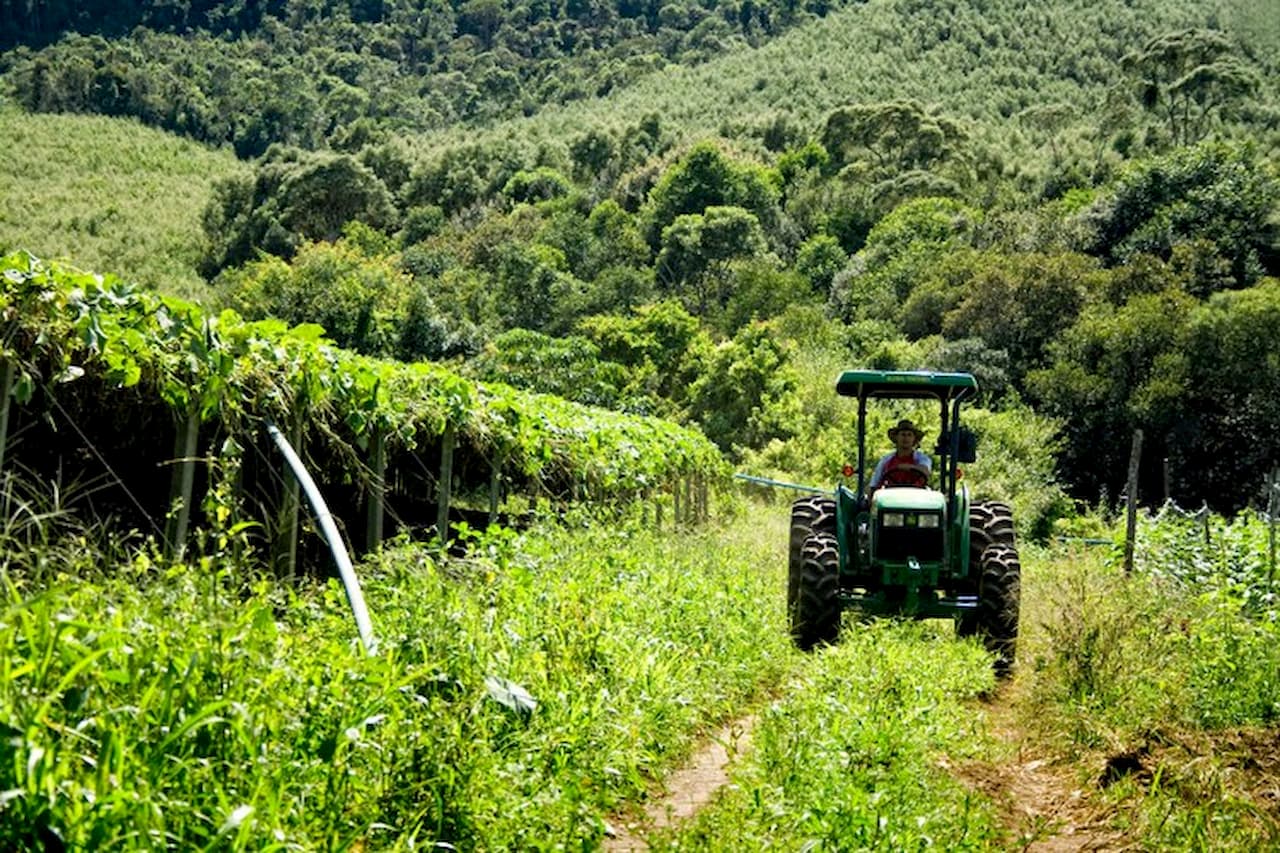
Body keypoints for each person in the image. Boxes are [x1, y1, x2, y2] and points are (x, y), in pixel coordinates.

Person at [869, 418, 932, 490]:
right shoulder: (886, 460)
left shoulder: (922, 458)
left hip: (917, 495)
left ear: (914, 439)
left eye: (909, 435)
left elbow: (925, 471)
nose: (906, 438)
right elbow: (874, 483)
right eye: (903, 434)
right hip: (892, 495)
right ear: (896, 437)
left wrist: (910, 467)